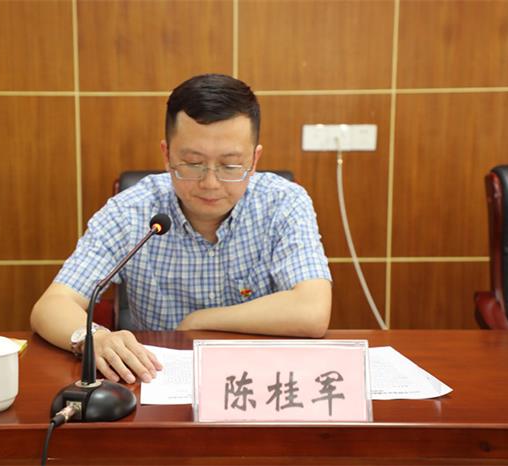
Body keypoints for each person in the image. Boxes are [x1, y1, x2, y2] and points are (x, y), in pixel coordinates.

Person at [31, 74, 332, 385]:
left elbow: (312, 311)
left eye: (230, 166)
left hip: (260, 381)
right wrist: (94, 338)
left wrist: (200, 321)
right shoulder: (130, 211)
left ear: (254, 160)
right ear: (167, 155)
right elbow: (52, 305)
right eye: (192, 163)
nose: (210, 183)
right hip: (157, 381)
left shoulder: (283, 202)